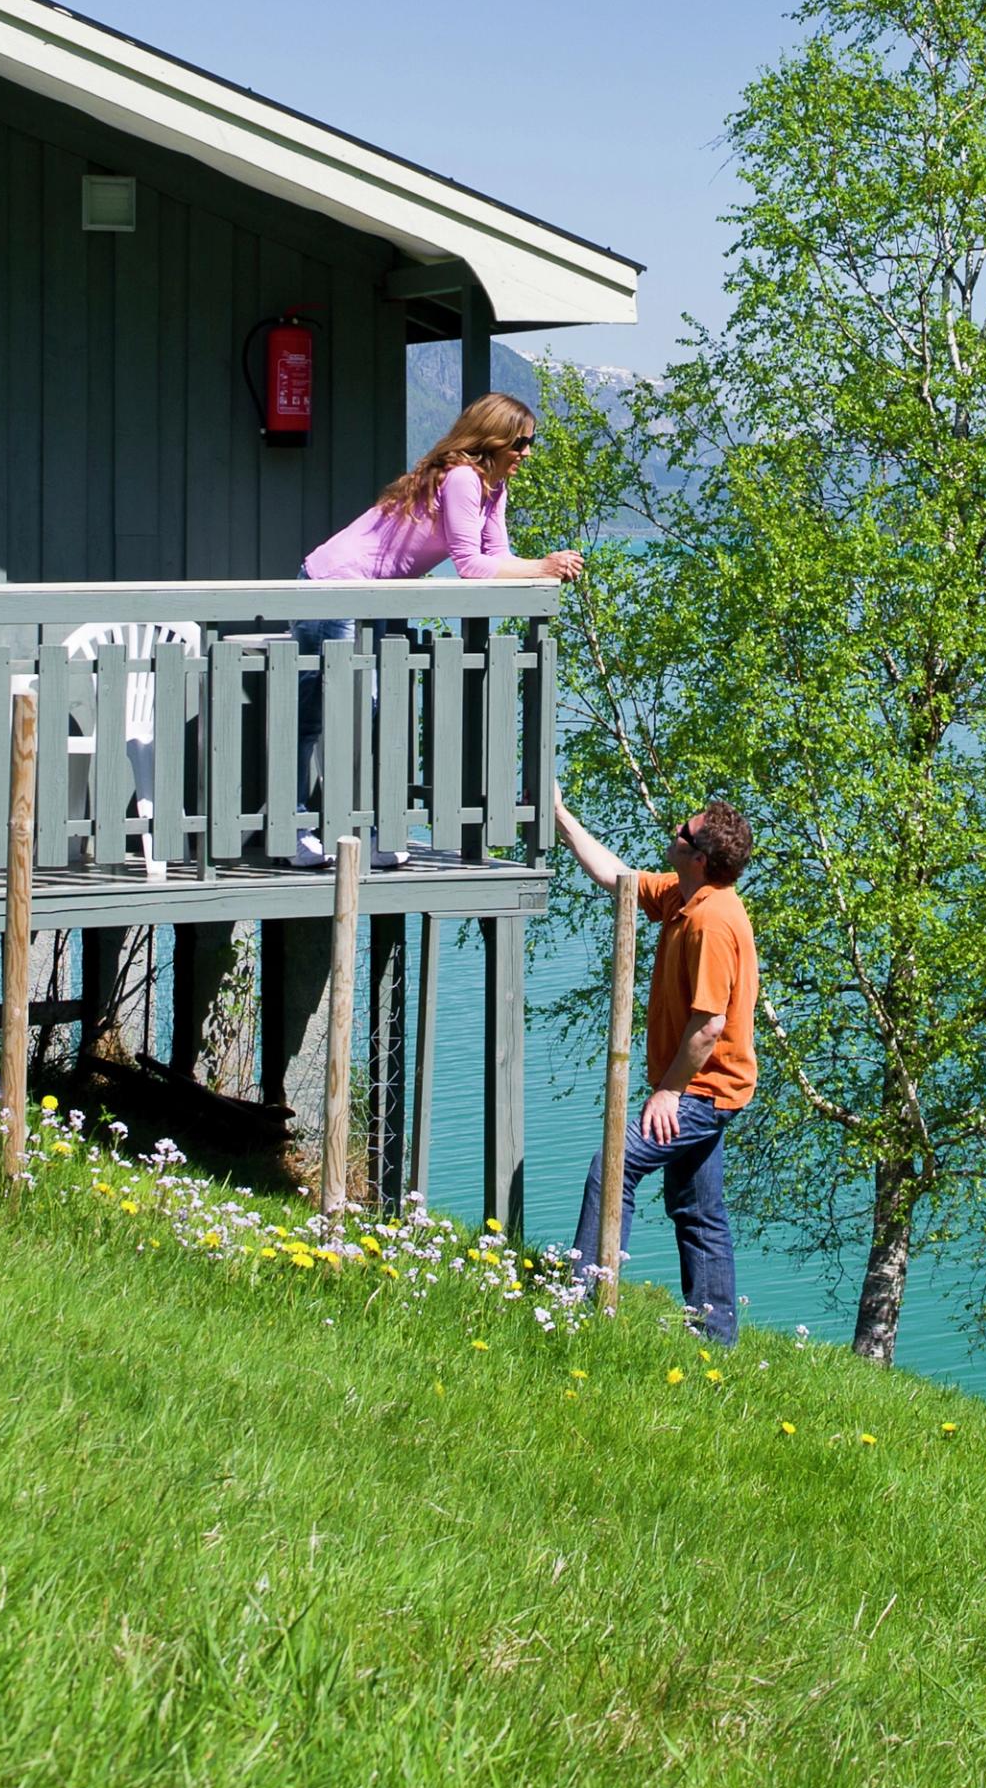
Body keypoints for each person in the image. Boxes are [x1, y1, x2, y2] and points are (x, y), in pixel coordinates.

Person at [289, 392, 579, 864]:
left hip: (376, 593)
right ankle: (304, 833)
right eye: (521, 442)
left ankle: (367, 834)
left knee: (371, 710)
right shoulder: (464, 478)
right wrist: (544, 566)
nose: (527, 452)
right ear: (495, 438)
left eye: (531, 442)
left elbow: (497, 557)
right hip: (335, 584)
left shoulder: (491, 486)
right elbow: (471, 567)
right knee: (329, 716)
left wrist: (542, 568)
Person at [553, 791, 758, 1345]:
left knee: (614, 1165)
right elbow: (617, 877)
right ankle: (716, 1339)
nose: (675, 829)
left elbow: (709, 1025)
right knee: (697, 1210)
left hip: (703, 1089)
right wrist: (561, 816)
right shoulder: (683, 896)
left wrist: (669, 1093)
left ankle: (582, 1300)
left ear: (699, 859)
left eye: (684, 832)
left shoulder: (712, 922)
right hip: (705, 1087)